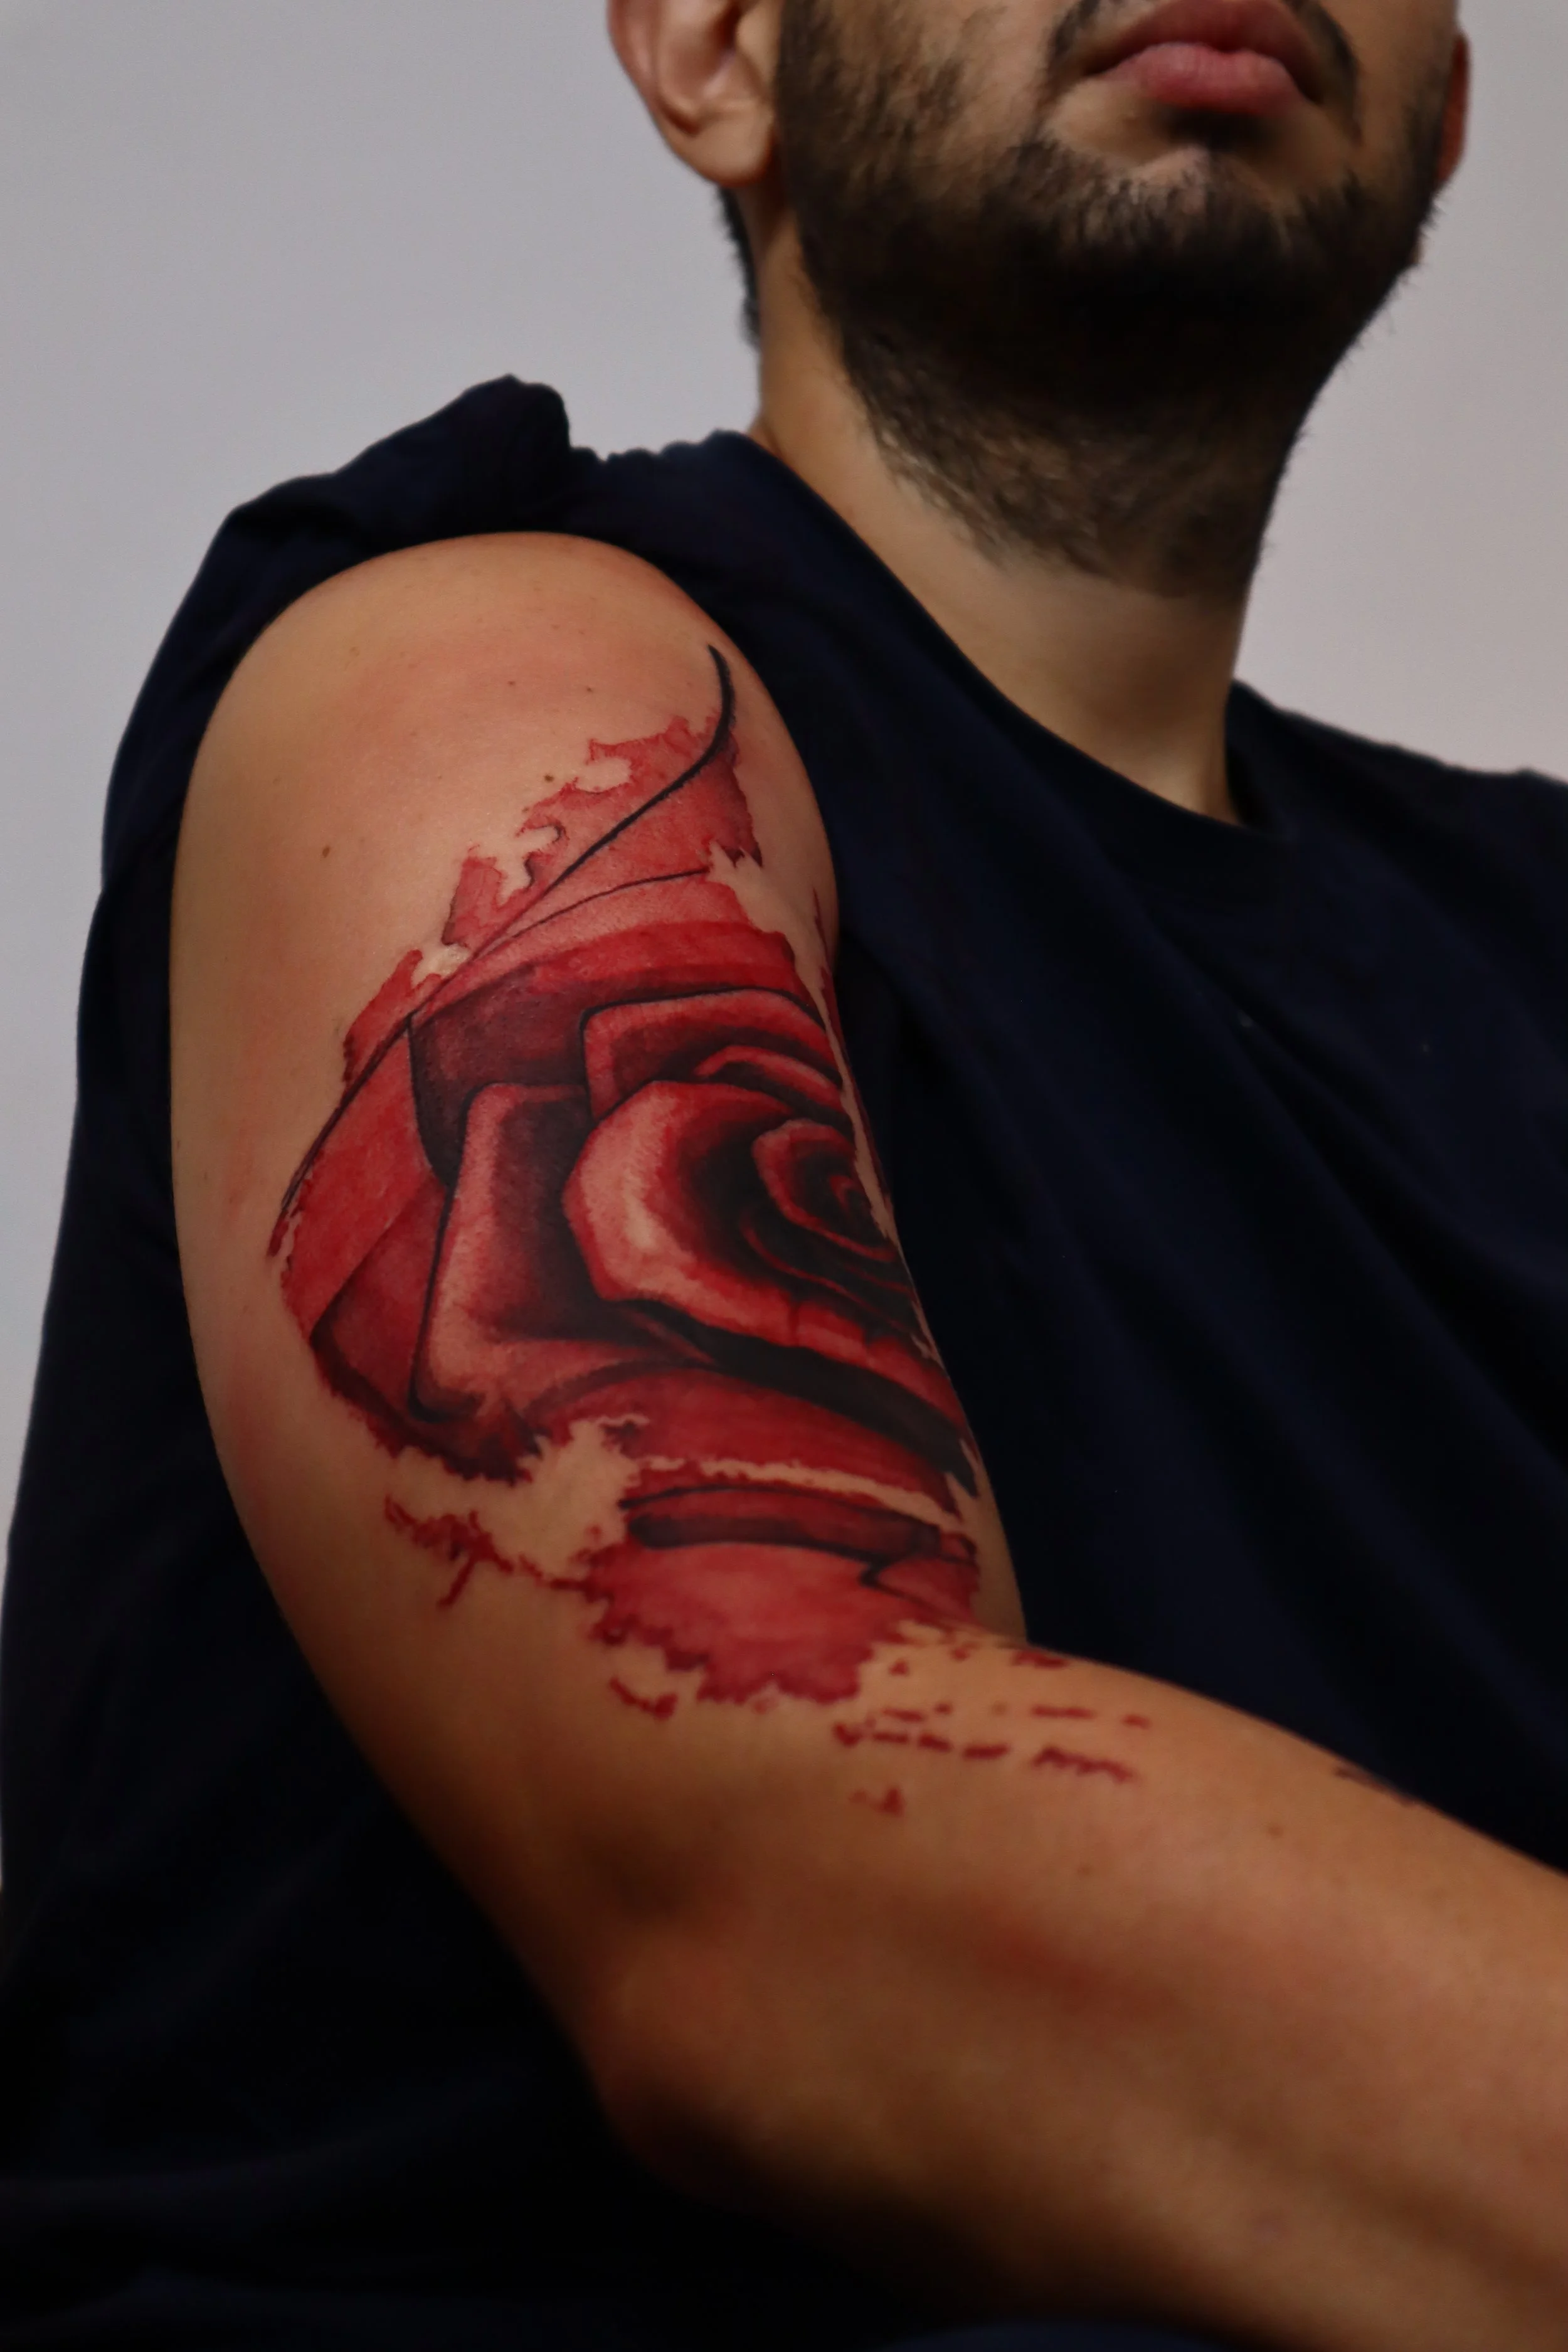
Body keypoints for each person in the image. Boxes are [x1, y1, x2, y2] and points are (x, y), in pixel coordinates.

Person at [3, 0, 1566, 2345]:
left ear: (1441, 115)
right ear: (718, 51)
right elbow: (785, 1875)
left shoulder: (1526, 942)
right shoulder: (507, 689)